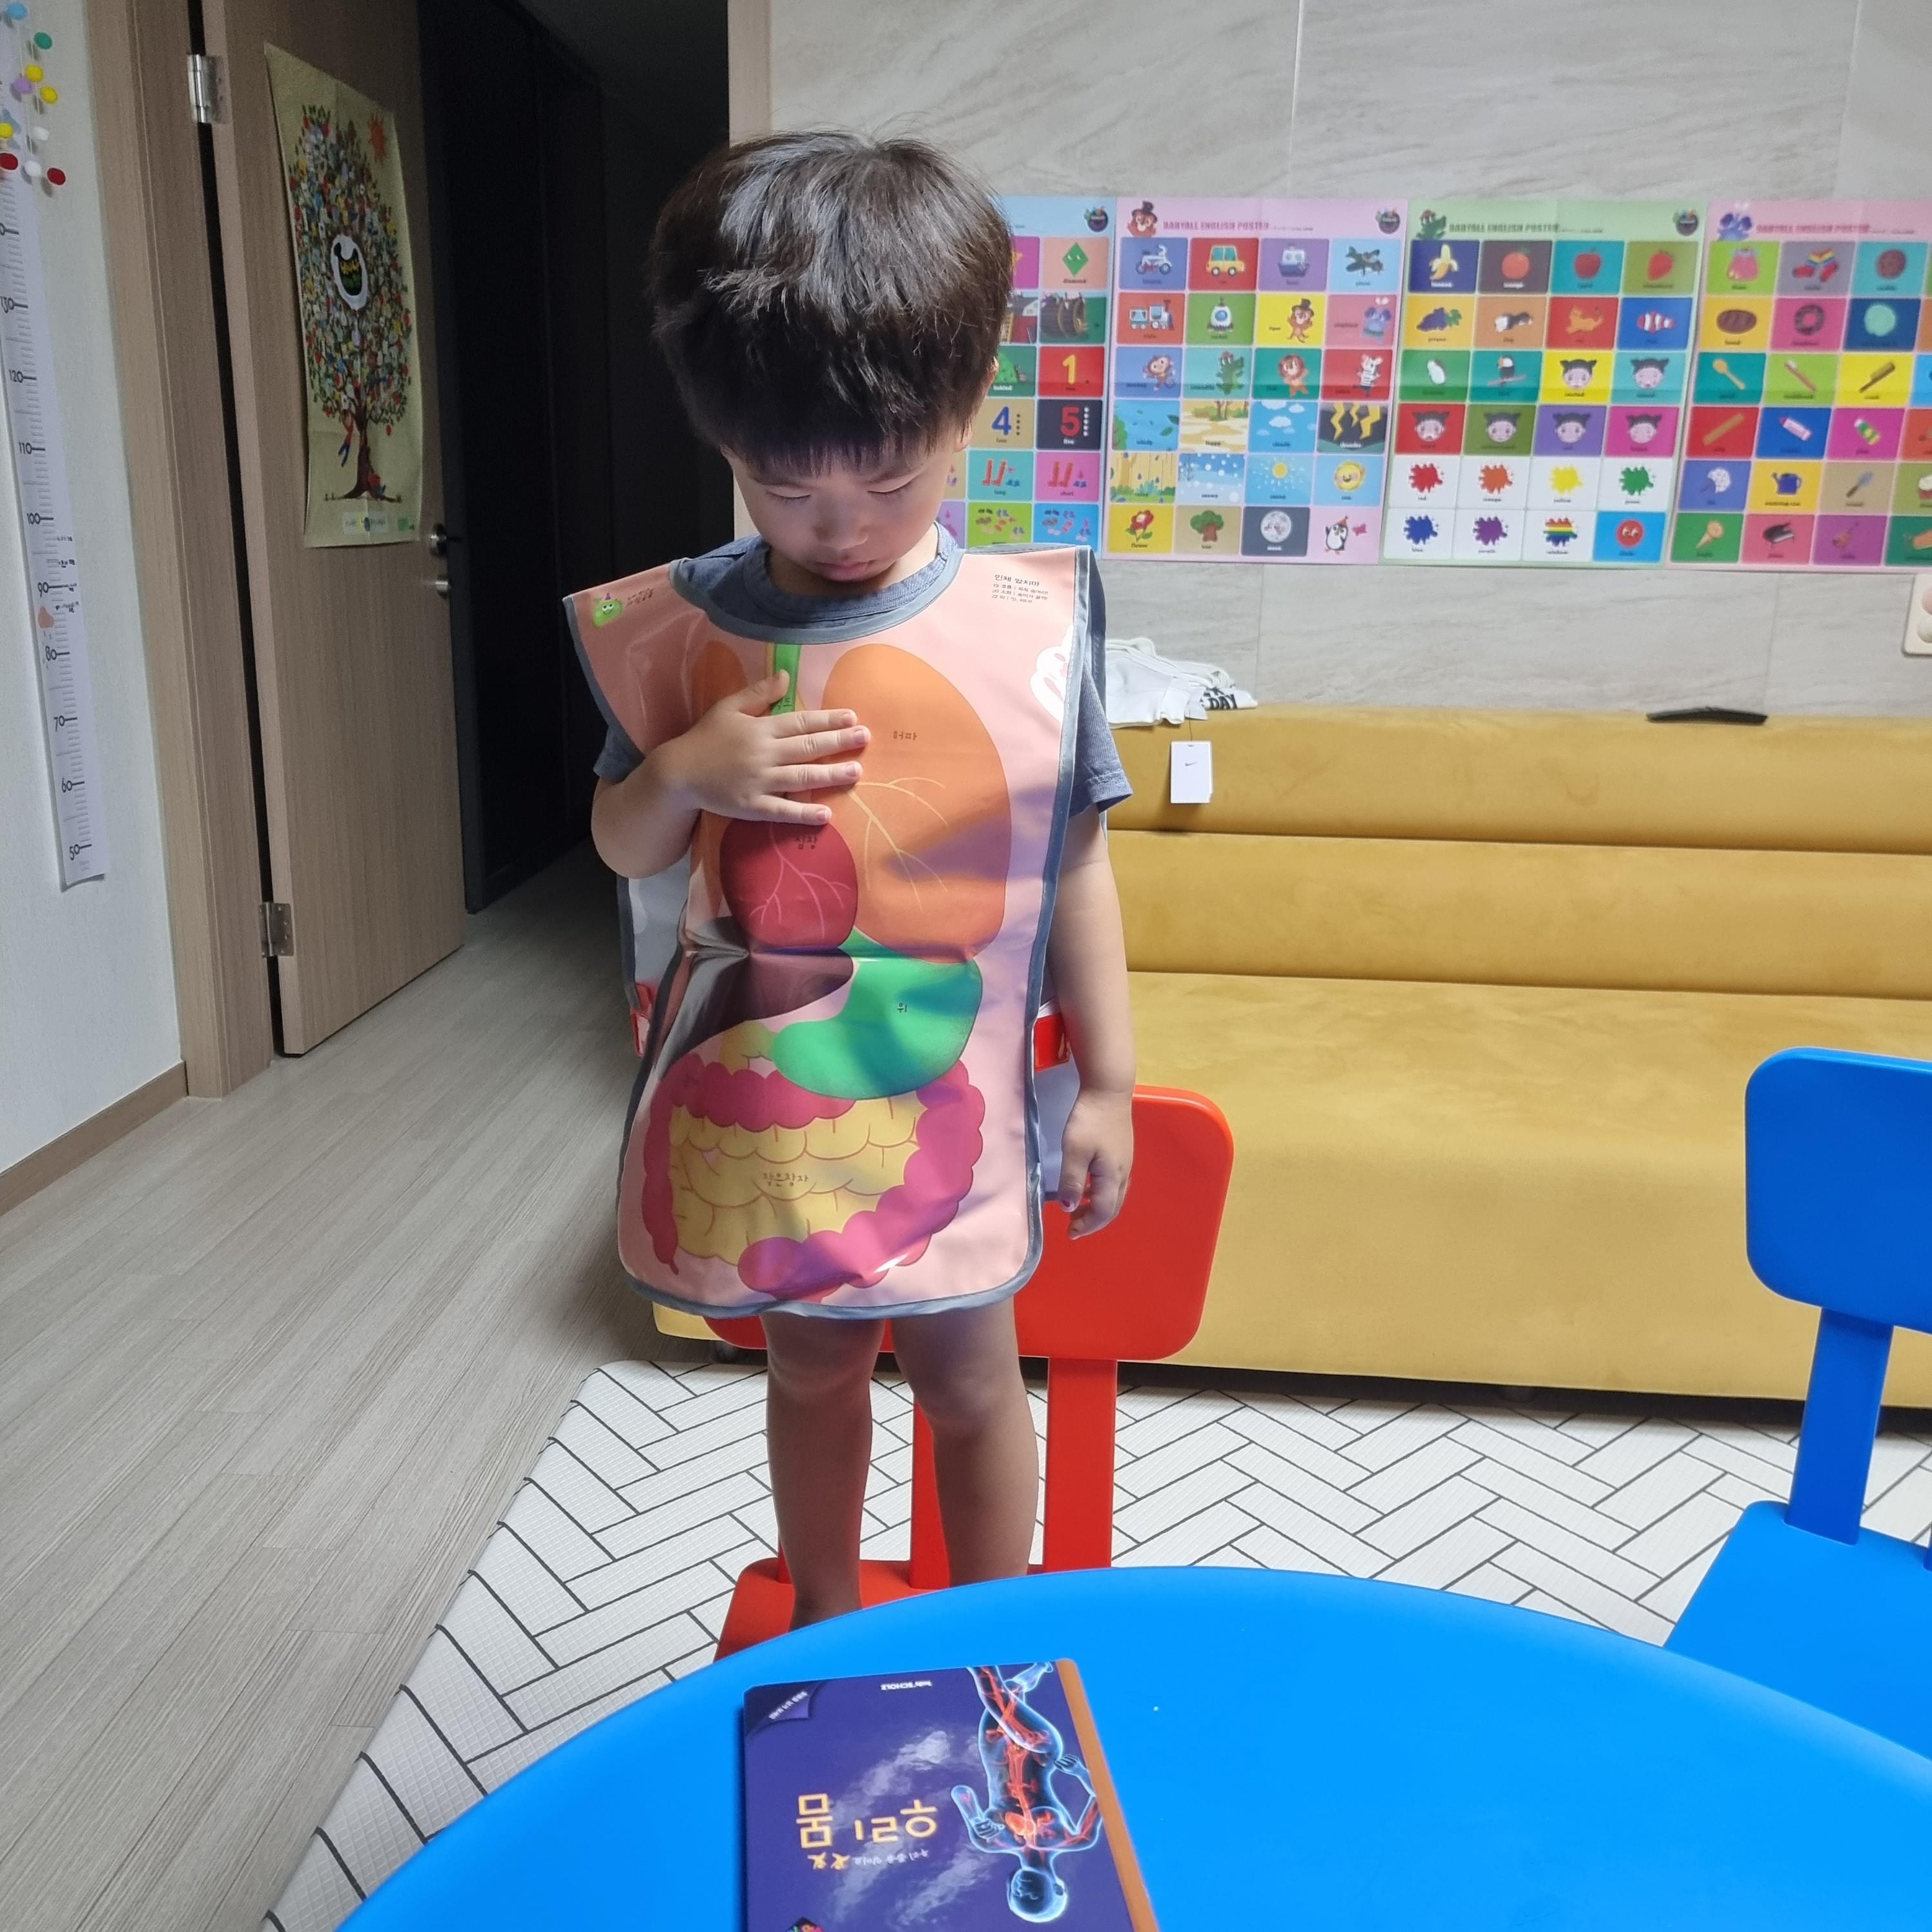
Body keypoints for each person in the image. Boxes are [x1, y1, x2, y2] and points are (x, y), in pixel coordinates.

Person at [586, 132, 1135, 1629]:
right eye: (781, 486)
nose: (836, 527)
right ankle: (826, 1614)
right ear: (723, 444)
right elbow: (622, 845)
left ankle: (985, 1629)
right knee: (812, 1364)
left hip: (957, 1091)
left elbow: (1076, 862)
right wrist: (680, 772)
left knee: (970, 1375)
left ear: (971, 410)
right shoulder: (681, 633)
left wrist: (1107, 1080)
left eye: (886, 479)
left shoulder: (1024, 629)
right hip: (775, 1106)